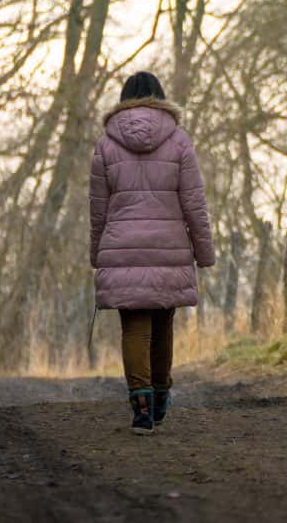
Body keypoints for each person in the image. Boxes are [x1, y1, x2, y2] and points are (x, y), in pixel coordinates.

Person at [89, 71, 215, 435]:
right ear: (161, 97)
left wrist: (98, 252)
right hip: (169, 248)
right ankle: (160, 398)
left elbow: (98, 208)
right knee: (162, 326)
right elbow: (195, 203)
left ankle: (141, 409)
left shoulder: (105, 145)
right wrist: (204, 252)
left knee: (134, 328)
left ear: (123, 99)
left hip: (122, 249)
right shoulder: (178, 140)